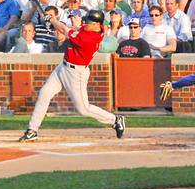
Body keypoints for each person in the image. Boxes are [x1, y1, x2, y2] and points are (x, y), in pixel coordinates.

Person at [18, 10, 126, 142]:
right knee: (44, 93)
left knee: (83, 109)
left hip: (76, 73)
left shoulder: (88, 39)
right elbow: (74, 28)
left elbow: (64, 29)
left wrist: (52, 20)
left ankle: (115, 120)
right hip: (63, 67)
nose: (85, 23)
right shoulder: (97, 28)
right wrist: (53, 22)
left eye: (88, 22)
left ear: (96, 24)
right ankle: (32, 130)